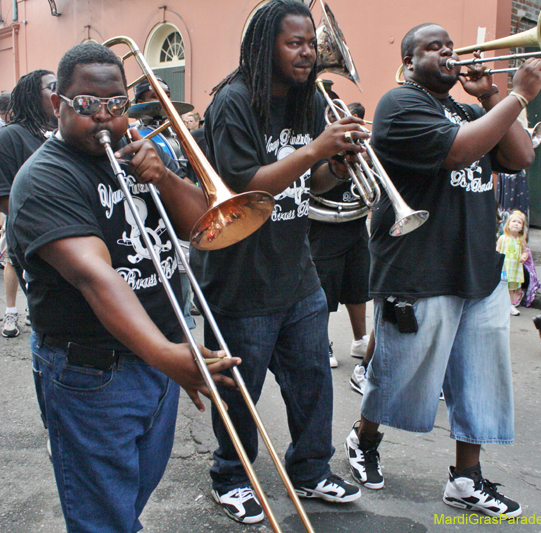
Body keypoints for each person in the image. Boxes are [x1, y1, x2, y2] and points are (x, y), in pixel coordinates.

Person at [7, 42, 240, 533]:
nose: (103, 116)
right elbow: (96, 277)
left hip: (156, 358)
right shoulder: (44, 177)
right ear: (58, 104)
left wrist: (164, 177)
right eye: (86, 104)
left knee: (129, 499)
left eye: (116, 103)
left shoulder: (137, 155)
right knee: (103, 518)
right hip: (93, 372)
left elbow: (204, 226)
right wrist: (166, 355)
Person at [344, 22, 541, 520]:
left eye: (450, 46)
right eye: (433, 48)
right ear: (409, 62)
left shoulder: (468, 110)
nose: (449, 54)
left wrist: (493, 96)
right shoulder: (400, 104)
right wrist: (519, 96)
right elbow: (458, 152)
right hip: (419, 265)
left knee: (480, 380)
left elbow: (521, 156)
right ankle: (363, 438)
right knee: (398, 374)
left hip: (477, 266)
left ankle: (466, 479)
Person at [189, 0, 365, 524]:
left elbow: (311, 183)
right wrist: (315, 150)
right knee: (240, 391)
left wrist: (337, 165)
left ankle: (310, 469)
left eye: (311, 42)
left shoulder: (308, 100)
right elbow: (245, 186)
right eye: (295, 43)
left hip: (296, 269)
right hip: (239, 276)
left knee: (312, 380)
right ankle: (231, 476)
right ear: (267, 46)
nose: (308, 52)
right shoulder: (234, 102)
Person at [0, 70, 58, 339]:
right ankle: (11, 312)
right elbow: (4, 195)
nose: (61, 91)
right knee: (13, 263)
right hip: (31, 229)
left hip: (67, 230)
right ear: (31, 96)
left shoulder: (65, 132)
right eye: (53, 86)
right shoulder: (10, 135)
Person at [309, 99, 371, 368]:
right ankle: (321, 342)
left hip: (355, 223)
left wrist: (366, 161)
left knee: (358, 286)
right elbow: (314, 183)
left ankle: (360, 339)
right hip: (324, 228)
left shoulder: (361, 142)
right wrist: (338, 165)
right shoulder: (321, 142)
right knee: (324, 290)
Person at [497, 210, 529, 315]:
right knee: (501, 288)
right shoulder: (503, 238)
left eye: (519, 222)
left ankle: (510, 305)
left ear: (522, 228)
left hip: (514, 269)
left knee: (511, 289)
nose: (516, 224)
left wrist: (524, 257)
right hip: (504, 268)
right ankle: (500, 305)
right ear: (508, 225)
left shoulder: (521, 240)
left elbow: (524, 251)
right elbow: (497, 251)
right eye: (514, 221)